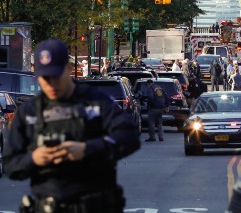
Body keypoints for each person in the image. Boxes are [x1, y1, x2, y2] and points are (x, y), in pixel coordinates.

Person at [3, 39, 140, 213]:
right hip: (48, 205)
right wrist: (34, 159)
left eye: (56, 76)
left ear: (68, 69)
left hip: (95, 203)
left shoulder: (95, 101)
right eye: (45, 78)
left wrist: (87, 149)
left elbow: (129, 137)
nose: (51, 83)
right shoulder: (29, 112)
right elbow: (10, 164)